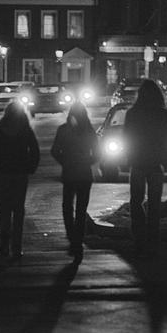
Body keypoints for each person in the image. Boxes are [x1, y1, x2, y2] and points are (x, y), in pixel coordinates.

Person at [123, 79, 167, 257]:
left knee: (136, 201)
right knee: (155, 203)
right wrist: (165, 159)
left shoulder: (133, 113)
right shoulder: (163, 115)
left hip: (138, 162)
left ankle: (139, 237)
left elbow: (127, 137)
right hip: (156, 163)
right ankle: (153, 238)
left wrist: (129, 157)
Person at [0, 101, 40, 259]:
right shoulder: (25, 129)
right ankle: (16, 246)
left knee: (4, 209)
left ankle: (4, 245)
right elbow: (35, 150)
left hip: (4, 173)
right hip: (20, 173)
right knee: (18, 210)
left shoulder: (0, 129)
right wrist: (30, 167)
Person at [50, 102, 100, 260]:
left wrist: (65, 161)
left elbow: (54, 150)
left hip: (69, 173)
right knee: (80, 209)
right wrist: (88, 161)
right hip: (85, 174)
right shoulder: (89, 131)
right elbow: (98, 153)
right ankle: (78, 239)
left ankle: (72, 237)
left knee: (67, 206)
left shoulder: (64, 130)